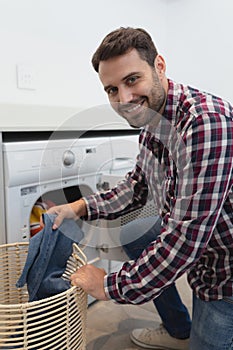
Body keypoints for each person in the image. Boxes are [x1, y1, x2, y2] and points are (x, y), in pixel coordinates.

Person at [46, 27, 233, 350]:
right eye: (111, 90)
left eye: (132, 80)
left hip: (225, 267)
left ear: (159, 66)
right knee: (138, 229)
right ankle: (177, 329)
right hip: (201, 239)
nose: (124, 99)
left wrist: (110, 286)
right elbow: (136, 187)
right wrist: (76, 206)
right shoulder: (152, 122)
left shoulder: (205, 123)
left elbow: (187, 238)